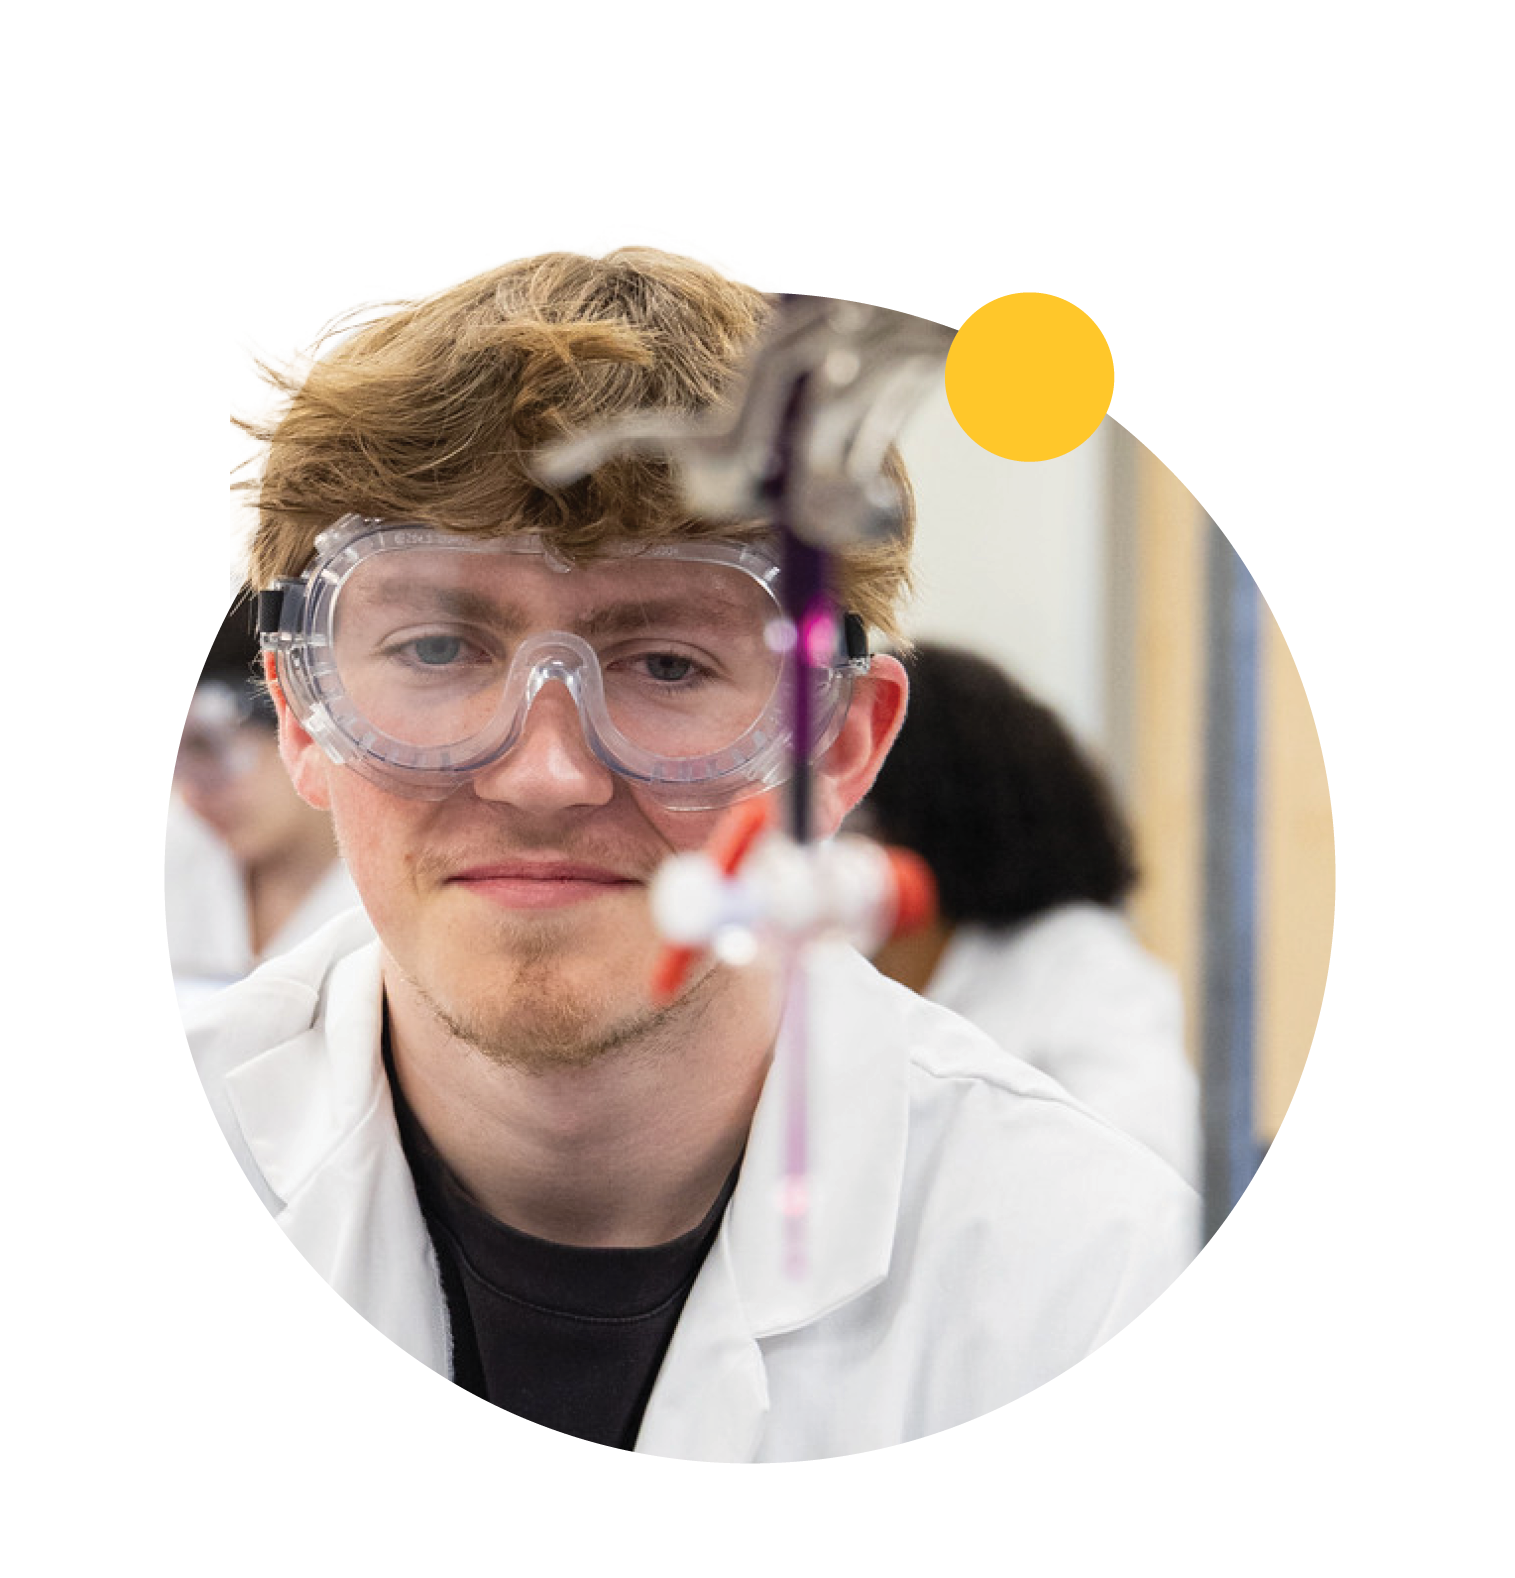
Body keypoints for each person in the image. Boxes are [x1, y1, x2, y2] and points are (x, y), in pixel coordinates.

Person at [188, 236, 1198, 1463]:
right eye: (440, 651)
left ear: (841, 746)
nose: (545, 773)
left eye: (667, 664)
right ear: (301, 712)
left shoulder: (1088, 1286)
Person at [857, 642, 1200, 1186]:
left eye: (861, 821)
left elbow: (1143, 1178)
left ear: (930, 822)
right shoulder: (853, 975)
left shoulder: (1085, 971)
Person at [166, 596, 357, 1006]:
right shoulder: (176, 854)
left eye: (207, 747)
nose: (193, 796)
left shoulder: (383, 901)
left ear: (299, 729)